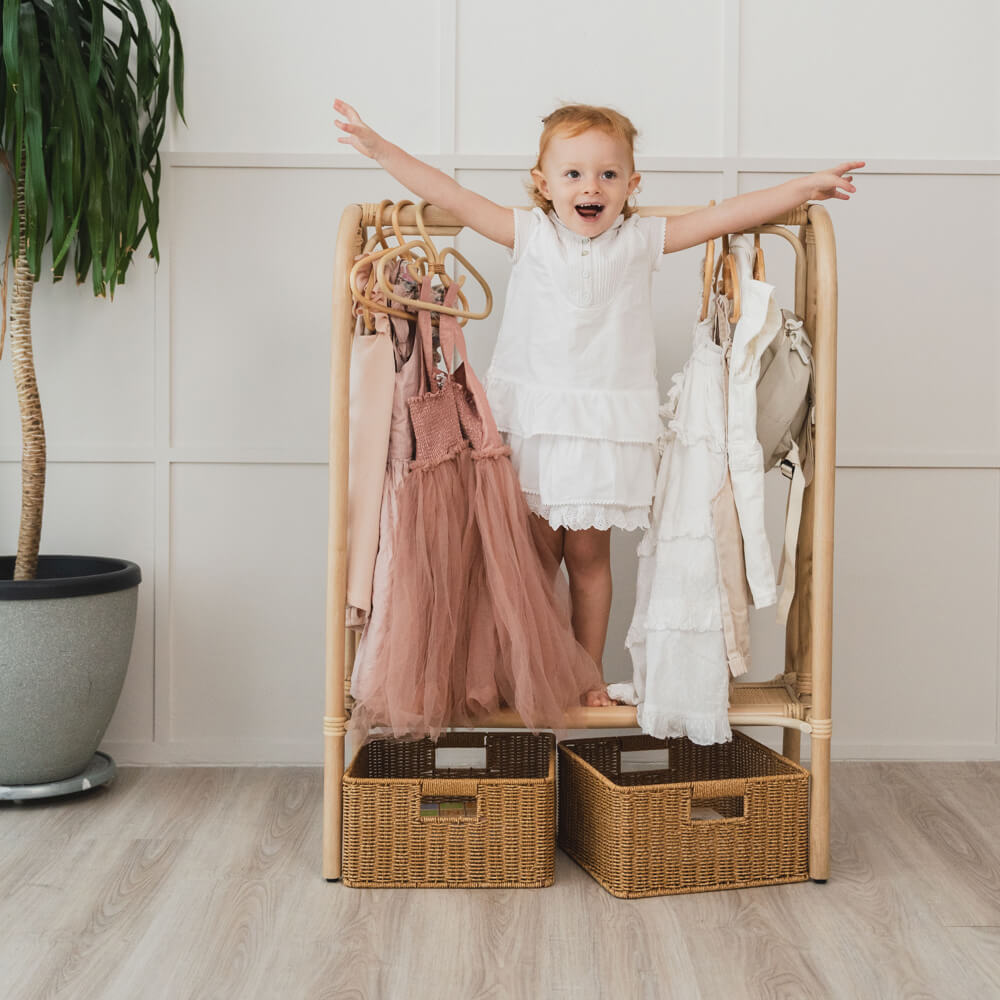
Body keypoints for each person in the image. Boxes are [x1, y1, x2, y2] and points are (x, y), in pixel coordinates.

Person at [334, 98, 862, 705]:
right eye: (574, 174)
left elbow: (730, 215)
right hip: (532, 425)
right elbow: (449, 193)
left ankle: (585, 678)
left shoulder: (641, 239)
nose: (592, 187)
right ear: (544, 184)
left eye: (608, 174)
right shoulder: (529, 234)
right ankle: (526, 675)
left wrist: (807, 187)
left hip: (605, 429)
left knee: (588, 561)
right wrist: (378, 148)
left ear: (632, 185)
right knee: (527, 565)